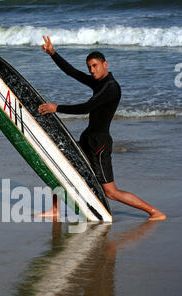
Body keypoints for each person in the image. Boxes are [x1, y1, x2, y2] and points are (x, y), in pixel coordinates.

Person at [38, 36, 166, 221]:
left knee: (110, 192)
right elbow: (73, 73)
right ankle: (55, 209)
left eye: (95, 65)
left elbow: (86, 108)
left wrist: (56, 108)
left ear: (105, 64)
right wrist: (53, 54)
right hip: (88, 138)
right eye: (89, 66)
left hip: (100, 144)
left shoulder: (111, 88)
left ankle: (154, 212)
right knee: (61, 163)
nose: (91, 70)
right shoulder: (98, 82)